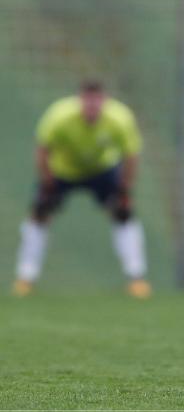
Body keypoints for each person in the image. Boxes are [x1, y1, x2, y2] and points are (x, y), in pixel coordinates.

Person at [12, 81, 150, 298]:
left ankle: (136, 278)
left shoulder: (120, 118)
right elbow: (43, 150)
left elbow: (131, 156)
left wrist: (124, 189)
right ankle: (25, 278)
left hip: (101, 170)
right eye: (88, 101)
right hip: (63, 170)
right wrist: (47, 183)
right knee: (40, 213)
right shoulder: (59, 115)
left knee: (123, 214)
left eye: (96, 101)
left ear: (104, 101)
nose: (92, 107)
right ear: (80, 100)